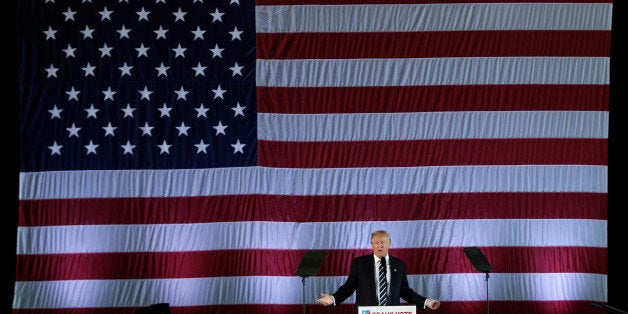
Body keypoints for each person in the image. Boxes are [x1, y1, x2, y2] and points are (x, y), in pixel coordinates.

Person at [316, 230, 441, 311]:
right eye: (376, 243)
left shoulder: (399, 264)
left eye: (382, 242)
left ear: (389, 244)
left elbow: (405, 291)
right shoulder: (360, 263)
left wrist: (426, 301)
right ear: (372, 245)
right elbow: (348, 287)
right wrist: (333, 298)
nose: (379, 245)